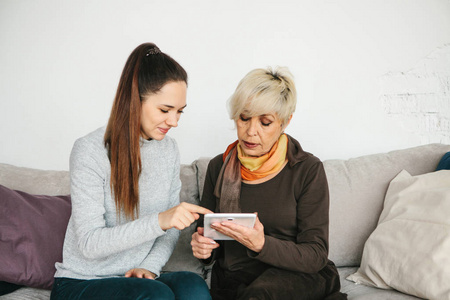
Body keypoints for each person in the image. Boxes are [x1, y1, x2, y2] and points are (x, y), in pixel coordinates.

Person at [51, 43, 212, 300]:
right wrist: (159, 220)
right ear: (135, 100)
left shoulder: (168, 149)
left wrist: (149, 267)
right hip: (81, 282)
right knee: (156, 296)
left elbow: (171, 229)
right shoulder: (89, 150)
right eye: (165, 110)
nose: (174, 121)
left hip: (136, 277)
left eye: (179, 111)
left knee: (193, 287)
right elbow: (90, 244)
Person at [191, 67, 347, 300]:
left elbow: (315, 254)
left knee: (260, 294)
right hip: (236, 278)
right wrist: (202, 249)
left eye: (265, 122)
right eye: (244, 118)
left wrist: (262, 245)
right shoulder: (219, 166)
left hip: (296, 276)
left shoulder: (307, 169)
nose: (251, 131)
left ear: (284, 123)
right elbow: (208, 238)